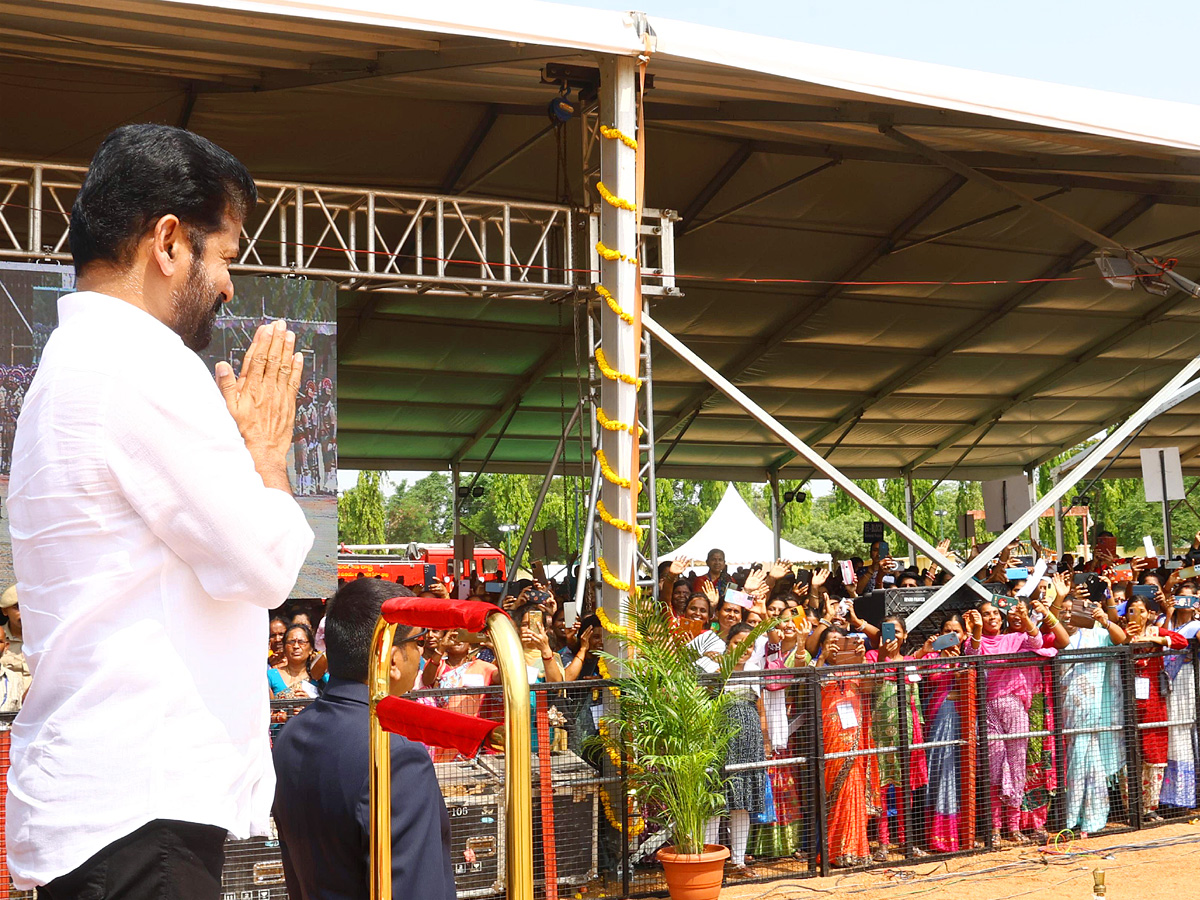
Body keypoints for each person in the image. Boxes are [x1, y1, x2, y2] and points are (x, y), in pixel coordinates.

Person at [6, 124, 314, 896]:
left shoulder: (71, 363)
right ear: (169, 242)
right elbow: (266, 565)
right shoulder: (142, 364)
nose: (230, 286)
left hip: (109, 814)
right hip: (139, 821)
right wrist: (269, 459)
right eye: (226, 257)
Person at [272, 579, 456, 900]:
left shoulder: (292, 735)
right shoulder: (394, 754)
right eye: (419, 642)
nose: (422, 651)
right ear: (393, 660)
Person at [963, 600, 1055, 845]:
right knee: (993, 770)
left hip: (1014, 705)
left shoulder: (1014, 638)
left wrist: (1025, 617)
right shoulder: (975, 639)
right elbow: (972, 653)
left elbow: (1037, 642)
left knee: (1016, 765)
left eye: (994, 613)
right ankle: (994, 829)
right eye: (985, 614)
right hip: (986, 711)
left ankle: (1013, 828)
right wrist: (977, 628)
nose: (991, 617)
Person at [1058, 589, 1126, 837]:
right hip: (1067, 713)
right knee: (1074, 764)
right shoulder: (1060, 636)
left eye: (1071, 610)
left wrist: (1105, 619)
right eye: (1063, 611)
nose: (1067, 615)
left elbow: (1121, 639)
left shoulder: (1097, 634)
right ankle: (1071, 819)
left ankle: (1090, 820)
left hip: (1094, 713)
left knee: (1091, 766)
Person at [704, 623, 768, 879]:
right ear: (727, 643)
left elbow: (760, 709)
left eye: (750, 644)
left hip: (750, 745)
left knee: (742, 804)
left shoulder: (754, 670)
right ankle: (710, 859)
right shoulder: (712, 669)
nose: (744, 648)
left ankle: (738, 862)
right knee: (715, 803)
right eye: (737, 643)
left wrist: (765, 741)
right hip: (720, 745)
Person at [267, 623, 327, 698]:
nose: (296, 646)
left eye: (301, 642)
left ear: (311, 648)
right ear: (284, 648)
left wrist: (309, 702)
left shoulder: (320, 676)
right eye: (291, 642)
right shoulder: (271, 676)